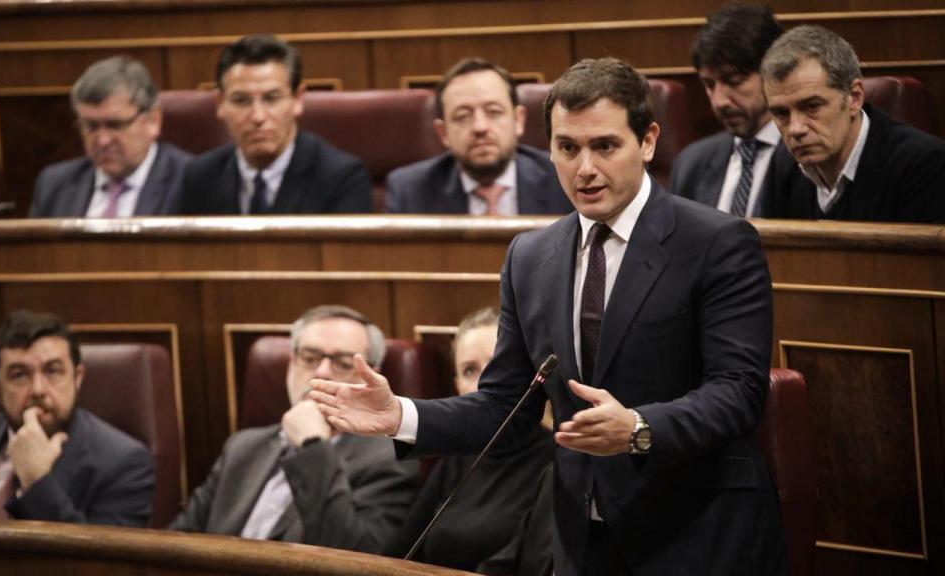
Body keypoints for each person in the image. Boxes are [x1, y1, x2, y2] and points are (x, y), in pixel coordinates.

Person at [310, 58, 786, 575]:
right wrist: (401, 416)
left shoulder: (717, 242)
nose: (584, 168)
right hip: (582, 541)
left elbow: (738, 391)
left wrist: (639, 427)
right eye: (568, 148)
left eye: (604, 146)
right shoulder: (530, 256)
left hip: (700, 534)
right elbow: (503, 409)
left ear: (647, 141)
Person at [169, 305, 416, 553]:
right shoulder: (243, 447)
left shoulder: (388, 460)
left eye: (343, 363)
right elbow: (176, 544)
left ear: (370, 380)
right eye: (309, 358)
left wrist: (312, 447)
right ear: (291, 365)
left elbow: (355, 558)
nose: (321, 372)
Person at [0, 310, 154, 526]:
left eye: (52, 371)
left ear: (77, 378)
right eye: (19, 375)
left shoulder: (124, 463)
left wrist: (35, 480)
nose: (37, 389)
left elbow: (98, 566)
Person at [384, 307, 553, 572]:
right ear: (457, 385)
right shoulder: (458, 457)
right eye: (470, 371)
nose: (485, 384)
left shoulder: (557, 461)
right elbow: (400, 551)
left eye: (497, 366)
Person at [760, 25, 945, 222]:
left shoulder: (926, 166)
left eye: (812, 106)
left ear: (854, 98)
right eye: (781, 113)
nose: (796, 128)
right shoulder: (783, 166)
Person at [174, 35, 373, 215]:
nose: (258, 116)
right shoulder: (200, 177)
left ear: (298, 100)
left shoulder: (341, 178)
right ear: (220, 104)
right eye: (241, 100)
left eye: (271, 99)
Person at [385, 58, 572, 215]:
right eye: (462, 116)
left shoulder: (563, 179)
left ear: (518, 120)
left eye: (493, 112)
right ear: (443, 133)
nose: (480, 127)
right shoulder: (410, 191)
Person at [29, 56, 190, 218]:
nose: (102, 141)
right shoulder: (54, 185)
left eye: (115, 125)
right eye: (91, 126)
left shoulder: (190, 182)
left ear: (153, 121)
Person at [669, 3, 784, 218]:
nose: (720, 101)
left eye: (734, 81)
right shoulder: (690, 165)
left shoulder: (809, 160)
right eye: (709, 85)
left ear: (773, 73)